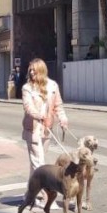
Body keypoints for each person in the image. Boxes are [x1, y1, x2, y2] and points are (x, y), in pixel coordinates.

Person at [21, 58, 69, 193]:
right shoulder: (27, 88)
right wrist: (39, 116)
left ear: (42, 70)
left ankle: (30, 194)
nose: (31, 72)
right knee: (40, 164)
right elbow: (28, 107)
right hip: (33, 130)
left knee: (35, 165)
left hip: (46, 130)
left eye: (34, 70)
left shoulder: (53, 86)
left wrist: (63, 119)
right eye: (30, 70)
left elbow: (58, 105)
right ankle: (46, 197)